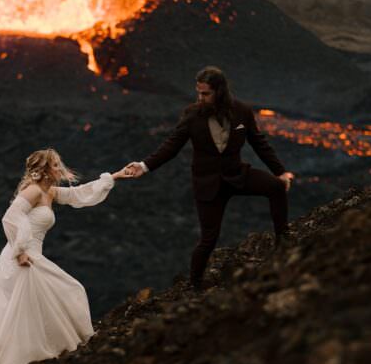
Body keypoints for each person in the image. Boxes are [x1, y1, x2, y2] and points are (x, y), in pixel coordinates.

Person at [0, 148, 132, 364]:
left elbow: (79, 194)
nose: (59, 168)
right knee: (56, 296)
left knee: (55, 298)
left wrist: (116, 176)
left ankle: (38, 362)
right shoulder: (32, 191)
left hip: (30, 256)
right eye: (54, 165)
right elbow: (9, 218)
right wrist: (19, 252)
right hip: (20, 260)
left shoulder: (50, 191)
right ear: (42, 169)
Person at [126, 66, 294, 290]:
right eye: (198, 93)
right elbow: (172, 146)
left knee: (276, 187)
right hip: (208, 185)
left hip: (237, 175)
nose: (200, 98)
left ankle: (283, 241)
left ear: (220, 91)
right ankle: (195, 285)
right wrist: (144, 166)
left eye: (205, 93)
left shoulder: (242, 111)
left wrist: (280, 172)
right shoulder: (192, 115)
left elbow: (259, 143)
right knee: (209, 239)